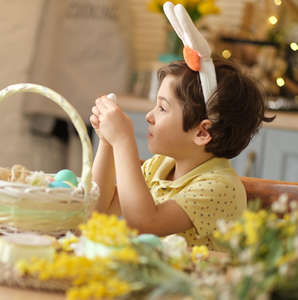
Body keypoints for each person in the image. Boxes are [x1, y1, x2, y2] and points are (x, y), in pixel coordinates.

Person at [89, 2, 274, 250]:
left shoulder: (219, 187)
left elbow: (144, 223)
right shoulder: (160, 167)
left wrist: (123, 141)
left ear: (202, 132)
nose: (149, 116)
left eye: (163, 108)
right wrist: (107, 141)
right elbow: (98, 207)